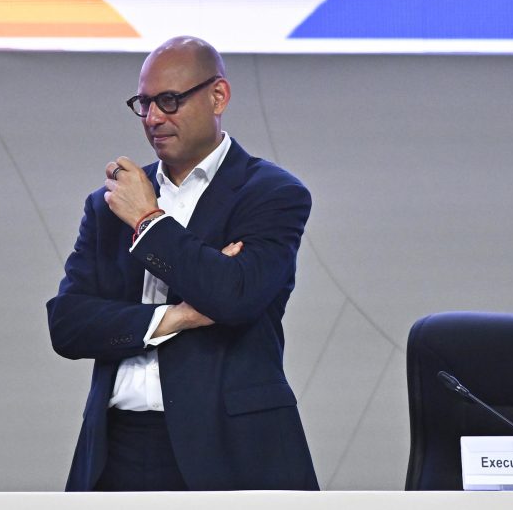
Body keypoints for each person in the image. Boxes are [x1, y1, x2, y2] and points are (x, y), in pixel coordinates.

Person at [47, 36, 318, 491]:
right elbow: (68, 325)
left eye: (169, 100)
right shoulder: (109, 204)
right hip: (115, 448)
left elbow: (233, 297)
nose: (153, 118)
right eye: (145, 103)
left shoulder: (272, 193)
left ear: (218, 96)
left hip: (229, 448)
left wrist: (148, 221)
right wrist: (177, 317)